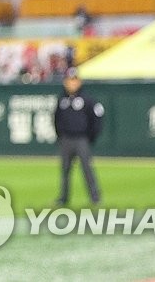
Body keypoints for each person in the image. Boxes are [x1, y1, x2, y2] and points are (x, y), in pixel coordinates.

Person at [53, 67, 104, 206]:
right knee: (65, 171)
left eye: (74, 80)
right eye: (69, 81)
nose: (72, 84)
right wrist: (60, 136)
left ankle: (95, 197)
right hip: (66, 139)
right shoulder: (62, 100)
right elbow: (56, 119)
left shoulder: (87, 99)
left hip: (81, 139)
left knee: (87, 169)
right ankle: (63, 197)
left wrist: (90, 137)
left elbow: (96, 119)